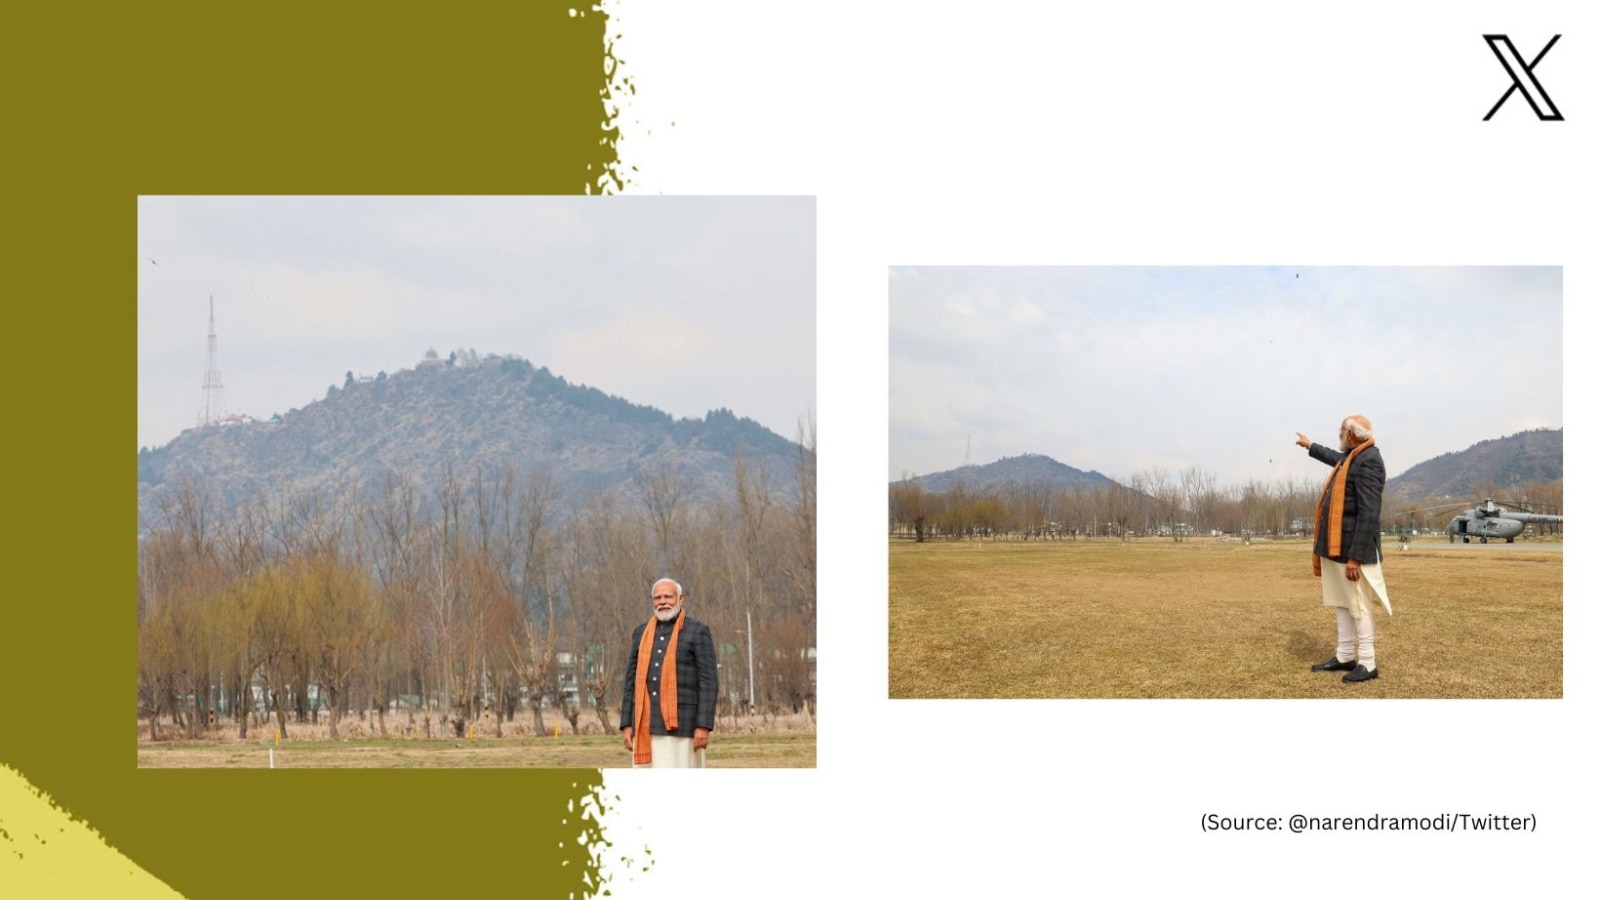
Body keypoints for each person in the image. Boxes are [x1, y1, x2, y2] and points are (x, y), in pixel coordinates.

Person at [1295, 415, 1393, 684]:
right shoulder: (1351, 458)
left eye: (1341, 430)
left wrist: (1355, 558)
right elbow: (1332, 457)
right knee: (1343, 603)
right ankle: (1345, 655)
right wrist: (1310, 445)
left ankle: (1368, 663)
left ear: (1351, 435)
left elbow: (1369, 513)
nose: (1338, 433)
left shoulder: (1369, 459)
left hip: (1352, 551)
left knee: (1359, 606)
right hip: (1336, 548)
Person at [620, 578, 719, 767]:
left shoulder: (697, 631)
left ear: (681, 599)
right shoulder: (640, 633)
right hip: (644, 727)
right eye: (657, 598)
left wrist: (703, 726)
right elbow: (630, 682)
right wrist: (627, 724)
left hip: (684, 727)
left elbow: (709, 682)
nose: (662, 601)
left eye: (668, 596)